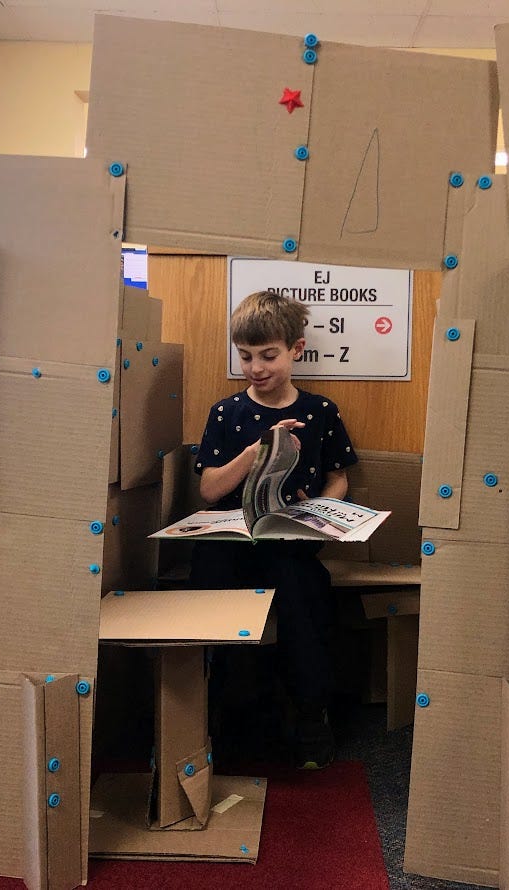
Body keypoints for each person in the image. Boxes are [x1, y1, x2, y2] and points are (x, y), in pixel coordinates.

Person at [191, 289, 358, 769]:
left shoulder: (320, 412)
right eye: (245, 357)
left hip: (290, 538)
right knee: (209, 582)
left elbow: (338, 476)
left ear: (296, 350)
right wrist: (254, 452)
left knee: (302, 589)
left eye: (268, 355)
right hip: (230, 537)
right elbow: (207, 490)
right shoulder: (227, 413)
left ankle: (311, 714)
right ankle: (217, 712)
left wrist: (325, 507)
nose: (256, 368)